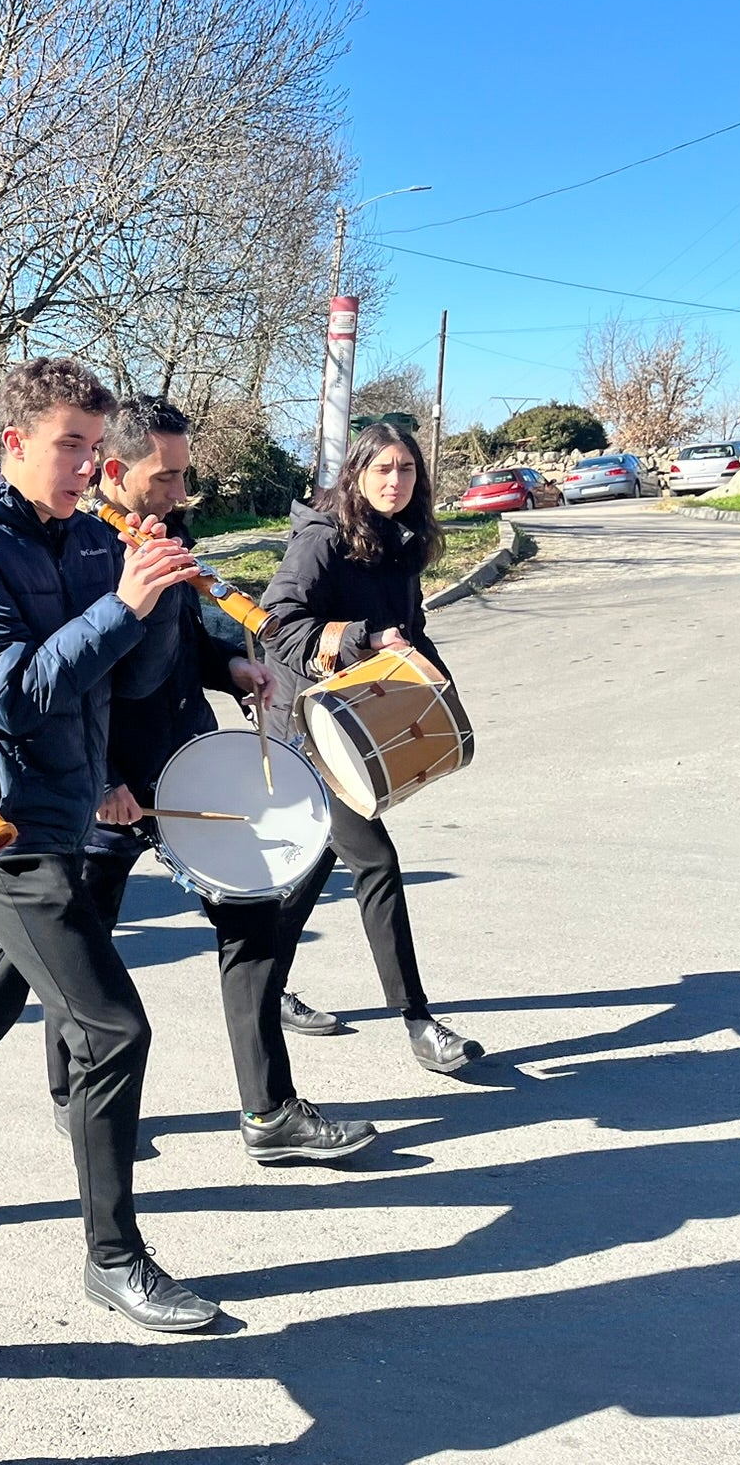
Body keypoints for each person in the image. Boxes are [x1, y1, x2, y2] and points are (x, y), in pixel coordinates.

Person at [0, 357, 221, 1333]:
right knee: (113, 1028)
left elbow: (118, 673)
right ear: (14, 444)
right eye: (67, 446)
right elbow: (7, 692)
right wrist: (122, 603)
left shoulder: (81, 536)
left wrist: (158, 602)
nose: (83, 465)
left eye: (91, 447)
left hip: (65, 807)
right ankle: (112, 1257)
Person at [64, 399, 376, 1163]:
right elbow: (72, 674)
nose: (180, 491)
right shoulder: (71, 548)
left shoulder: (166, 530)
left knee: (255, 919)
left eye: (182, 474)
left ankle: (269, 1114)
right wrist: (102, 776)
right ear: (113, 473)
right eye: (165, 477)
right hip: (107, 788)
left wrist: (228, 665)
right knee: (84, 952)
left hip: (190, 766)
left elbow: (177, 639)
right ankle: (78, 1101)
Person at [259, 419, 486, 1077]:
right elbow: (277, 624)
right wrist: (362, 638)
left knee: (308, 875)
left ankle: (263, 986)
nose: (395, 480)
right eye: (382, 469)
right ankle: (417, 1023)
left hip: (353, 719)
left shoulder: (399, 540)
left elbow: (405, 630)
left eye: (406, 470)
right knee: (376, 860)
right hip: (306, 727)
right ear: (356, 473)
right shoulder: (323, 536)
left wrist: (437, 680)